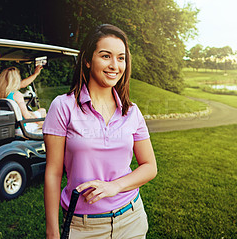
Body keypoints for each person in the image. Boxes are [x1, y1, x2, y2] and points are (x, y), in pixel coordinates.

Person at [43, 24, 157, 239]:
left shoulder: (131, 111)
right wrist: (52, 232)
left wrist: (115, 186)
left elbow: (150, 166)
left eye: (121, 58)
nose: (115, 65)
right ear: (87, 60)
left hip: (132, 219)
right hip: (83, 227)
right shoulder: (63, 106)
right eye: (106, 56)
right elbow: (53, 173)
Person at [0, 66, 46, 131]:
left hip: (12, 127)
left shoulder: (0, 94)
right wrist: (39, 120)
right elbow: (27, 116)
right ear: (16, 79)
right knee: (48, 120)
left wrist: (32, 114)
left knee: (42, 111)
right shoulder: (16, 94)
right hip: (23, 127)